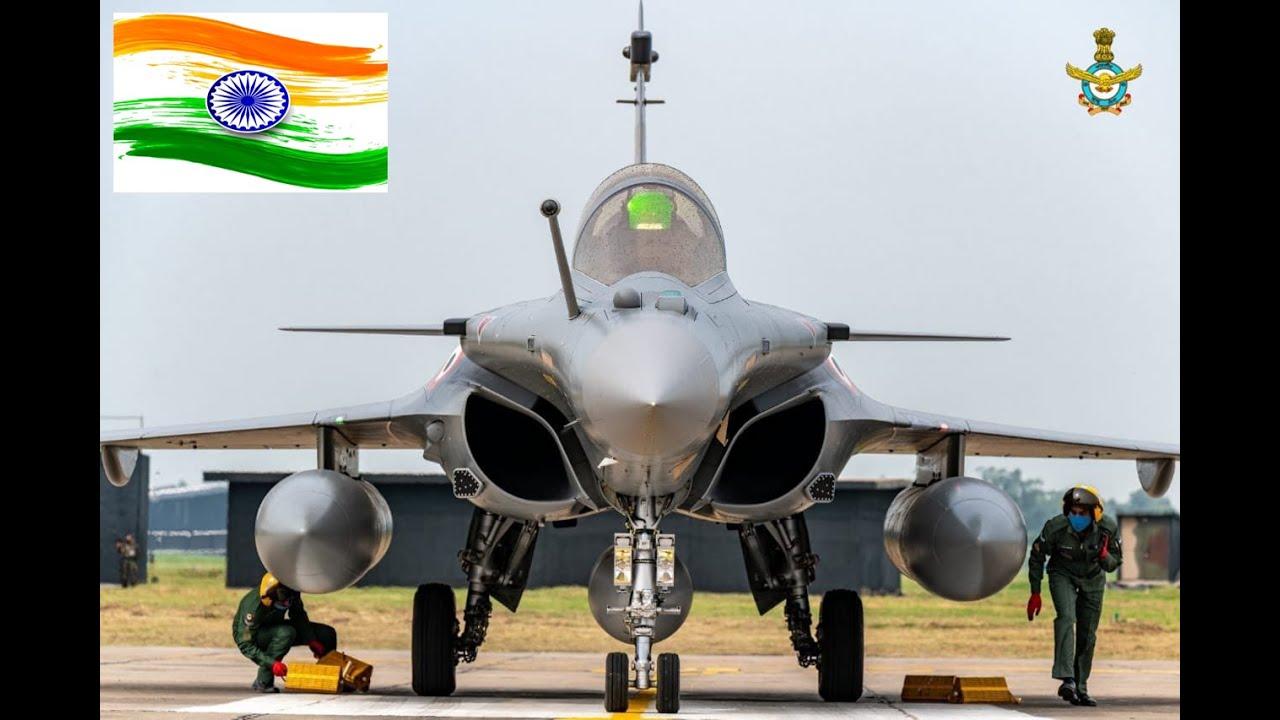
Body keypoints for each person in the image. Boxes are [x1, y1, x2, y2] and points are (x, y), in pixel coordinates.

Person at [1026, 485, 1122, 707]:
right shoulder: (1056, 527)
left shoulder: (1107, 529)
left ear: (1094, 514)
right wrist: (1035, 592)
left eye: (1082, 513)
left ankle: (1081, 688)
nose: (1077, 517)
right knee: (1067, 618)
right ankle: (1067, 678)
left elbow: (1114, 563)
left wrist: (1104, 555)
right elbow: (1037, 555)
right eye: (1073, 512)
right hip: (1063, 574)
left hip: (1093, 578)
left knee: (1088, 634)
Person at [233, 572, 339, 692]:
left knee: (326, 633)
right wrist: (272, 664)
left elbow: (298, 615)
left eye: (288, 602)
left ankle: (333, 678)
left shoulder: (290, 591)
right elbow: (245, 644)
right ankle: (263, 681)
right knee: (286, 633)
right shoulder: (253, 608)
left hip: (276, 626)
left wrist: (311, 639)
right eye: (283, 603)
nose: (286, 604)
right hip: (255, 635)